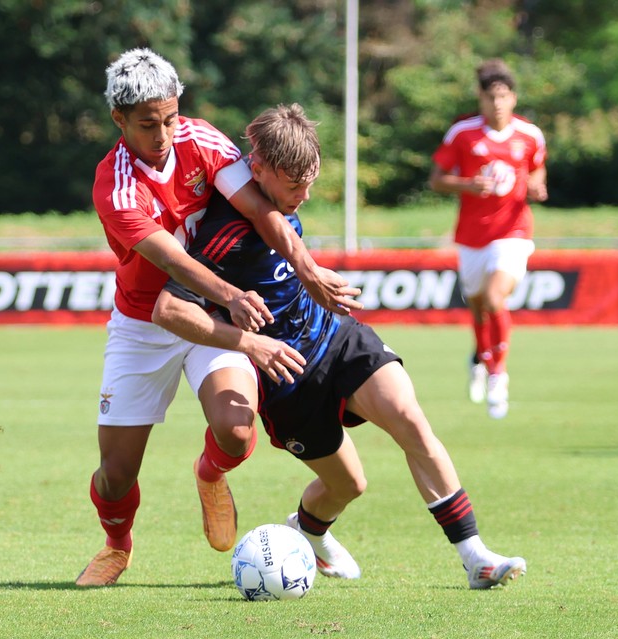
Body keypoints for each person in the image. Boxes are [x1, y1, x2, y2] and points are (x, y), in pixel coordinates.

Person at [152, 103, 526, 589]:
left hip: (336, 336)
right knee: (349, 485)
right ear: (257, 168)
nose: (304, 198)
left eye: (311, 184)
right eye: (294, 187)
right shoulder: (223, 235)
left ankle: (475, 556)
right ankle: (307, 532)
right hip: (286, 377)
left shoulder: (276, 199)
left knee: (410, 418)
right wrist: (248, 342)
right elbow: (169, 310)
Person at [77, 48, 360, 586]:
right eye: (147, 124)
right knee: (115, 476)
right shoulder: (114, 186)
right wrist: (232, 294)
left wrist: (307, 269)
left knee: (234, 429)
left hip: (211, 315)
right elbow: (173, 261)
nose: (163, 134)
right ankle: (116, 546)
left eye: (170, 118)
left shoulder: (202, 140)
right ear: (119, 120)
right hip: (145, 324)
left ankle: (210, 476)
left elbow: (260, 208)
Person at [428, 58, 548, 419]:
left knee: (496, 298)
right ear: (480, 99)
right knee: (479, 306)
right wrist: (466, 184)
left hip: (513, 233)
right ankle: (479, 356)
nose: (497, 103)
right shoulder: (463, 134)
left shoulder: (530, 135)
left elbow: (538, 167)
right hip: (471, 236)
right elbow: (436, 179)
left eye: (504, 95)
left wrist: (538, 185)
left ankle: (498, 373)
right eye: (490, 96)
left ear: (513, 98)